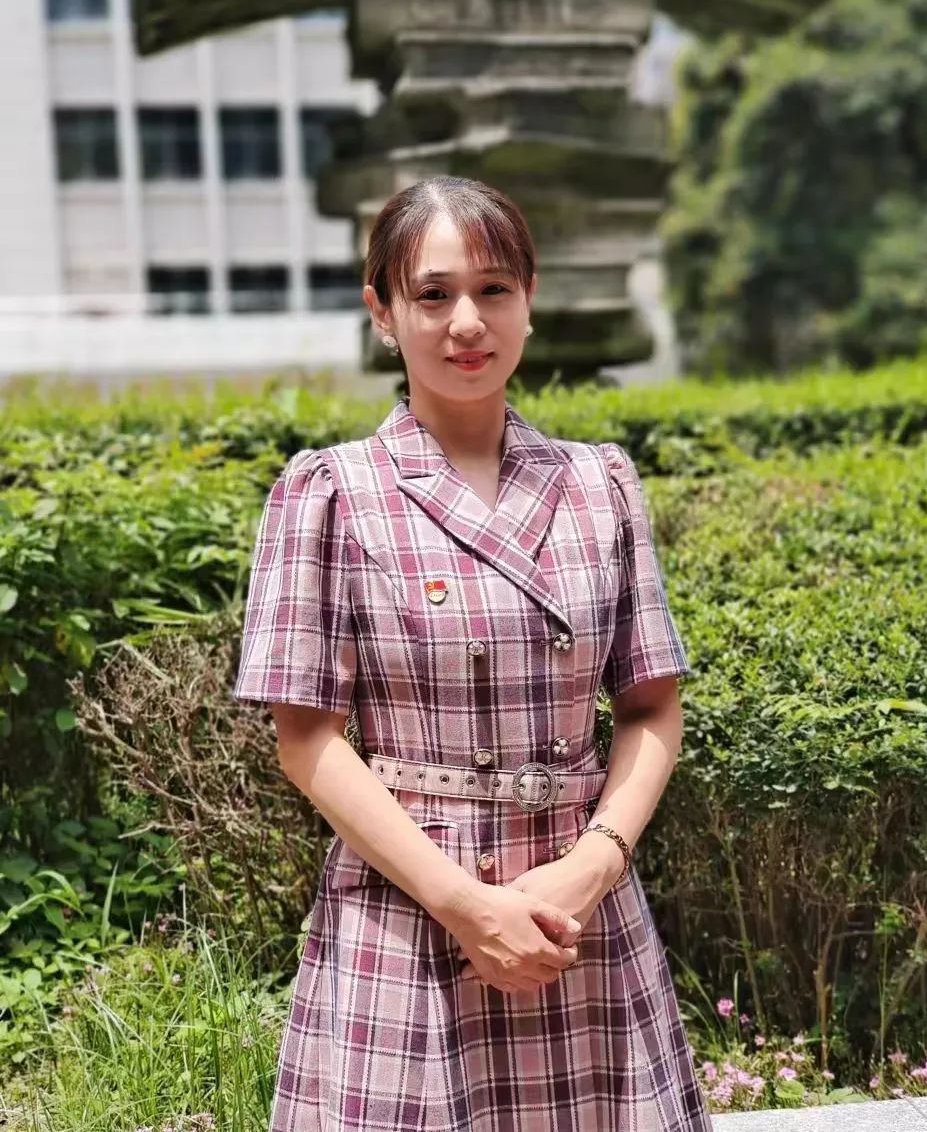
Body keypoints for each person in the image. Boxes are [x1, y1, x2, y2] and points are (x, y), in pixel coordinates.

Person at [233, 174, 714, 1131]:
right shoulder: (331, 493)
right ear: (382, 311)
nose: (467, 322)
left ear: (530, 299)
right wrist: (467, 905)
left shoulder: (601, 484)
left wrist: (591, 867)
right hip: (410, 913)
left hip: (577, 916)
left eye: (494, 289)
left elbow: (652, 704)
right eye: (433, 293)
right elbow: (307, 739)